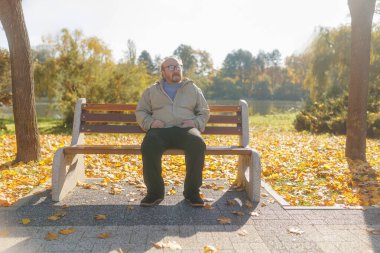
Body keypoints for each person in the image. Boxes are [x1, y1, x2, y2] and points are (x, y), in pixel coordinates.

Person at [135, 56, 210, 207]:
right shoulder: (152, 90)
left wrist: (195, 122)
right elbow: (141, 111)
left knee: (198, 143)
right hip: (160, 130)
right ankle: (154, 193)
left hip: (186, 129)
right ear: (163, 72)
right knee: (149, 144)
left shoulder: (192, 89)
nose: (176, 69)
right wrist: (151, 123)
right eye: (171, 67)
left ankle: (192, 193)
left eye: (178, 66)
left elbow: (204, 111)